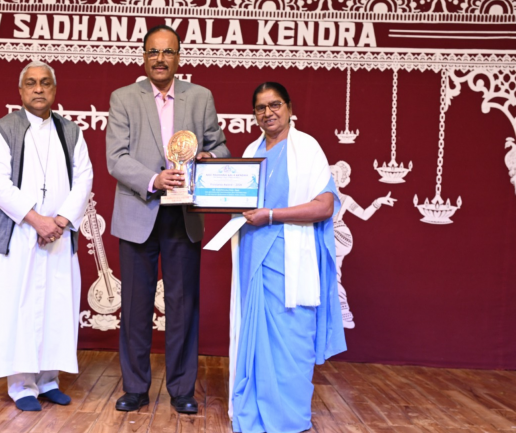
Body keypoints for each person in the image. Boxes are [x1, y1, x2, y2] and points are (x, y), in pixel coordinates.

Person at [106, 25, 230, 414]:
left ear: (179, 57)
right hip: (138, 211)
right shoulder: (123, 97)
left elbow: (220, 146)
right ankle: (135, 388)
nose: (160, 59)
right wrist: (153, 179)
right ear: (144, 56)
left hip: (183, 215)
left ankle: (181, 390)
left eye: (168, 52)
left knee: (183, 305)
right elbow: (116, 157)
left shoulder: (200, 96)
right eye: (153, 52)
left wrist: (210, 159)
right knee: (135, 307)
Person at [227, 82, 346, 432]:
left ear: (290, 108)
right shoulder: (250, 151)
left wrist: (272, 215)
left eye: (275, 104)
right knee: (255, 336)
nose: (268, 113)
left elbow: (324, 206)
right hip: (253, 256)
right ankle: (253, 410)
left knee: (293, 337)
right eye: (260, 107)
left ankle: (288, 418)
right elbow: (238, 200)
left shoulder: (307, 148)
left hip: (292, 258)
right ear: (254, 114)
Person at [0, 61, 94, 412]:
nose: (38, 89)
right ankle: (21, 386)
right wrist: (36, 220)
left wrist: (59, 221)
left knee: (56, 307)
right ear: (20, 90)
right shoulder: (2, 129)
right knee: (20, 307)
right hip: (20, 234)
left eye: (45, 83)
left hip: (58, 236)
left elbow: (84, 178)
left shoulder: (71, 132)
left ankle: (48, 381)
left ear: (54, 90)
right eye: (31, 83)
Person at [330, 161, 396, 329]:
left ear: (341, 179)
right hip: (327, 237)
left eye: (334, 174)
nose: (330, 177)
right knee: (331, 274)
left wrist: (377, 202)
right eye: (328, 173)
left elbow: (364, 214)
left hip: (338, 236)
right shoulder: (318, 197)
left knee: (330, 273)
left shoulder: (345, 199)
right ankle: (339, 312)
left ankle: (341, 313)